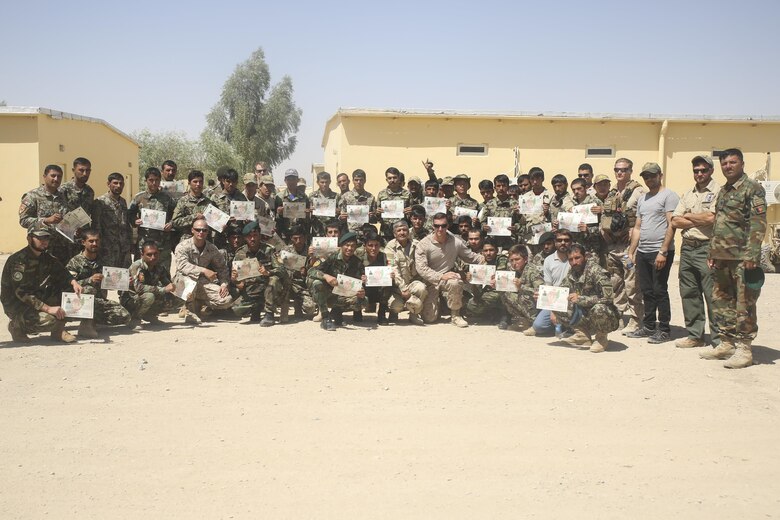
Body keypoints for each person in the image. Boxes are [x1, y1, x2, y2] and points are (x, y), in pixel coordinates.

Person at [700, 149, 767, 368]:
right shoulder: (725, 190)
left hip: (742, 257)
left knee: (743, 303)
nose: (728, 166)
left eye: (732, 162)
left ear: (742, 163)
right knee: (721, 301)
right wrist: (713, 251)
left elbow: (758, 222)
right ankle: (726, 342)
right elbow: (719, 223)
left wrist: (753, 254)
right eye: (725, 163)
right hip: (722, 256)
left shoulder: (752, 188)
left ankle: (745, 349)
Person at [2, 221, 83, 343]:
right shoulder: (19, 261)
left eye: (47, 238)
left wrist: (73, 282)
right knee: (50, 320)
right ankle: (17, 326)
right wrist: (48, 308)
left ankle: (58, 331)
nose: (44, 241)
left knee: (70, 291)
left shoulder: (46, 257)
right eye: (40, 237)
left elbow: (62, 272)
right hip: (17, 304)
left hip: (36, 296)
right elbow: (21, 293)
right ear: (29, 238)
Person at [670, 155, 721, 349]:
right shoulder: (688, 194)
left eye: (703, 170)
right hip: (688, 247)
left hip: (707, 247)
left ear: (711, 170)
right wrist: (697, 218)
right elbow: (675, 220)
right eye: (696, 171)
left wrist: (688, 216)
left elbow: (712, 218)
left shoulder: (718, 192)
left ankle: (718, 339)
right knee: (689, 293)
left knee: (712, 294)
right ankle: (695, 335)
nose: (699, 174)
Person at [627, 163, 679, 343]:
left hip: (660, 251)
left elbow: (672, 224)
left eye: (652, 175)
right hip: (643, 251)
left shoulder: (669, 196)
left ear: (660, 175)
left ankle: (664, 329)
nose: (649, 179)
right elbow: (638, 226)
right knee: (646, 290)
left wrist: (663, 251)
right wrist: (632, 251)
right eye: (646, 177)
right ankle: (649, 326)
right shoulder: (643, 199)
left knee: (659, 290)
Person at [414, 212, 484, 327]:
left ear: (448, 226)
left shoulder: (455, 242)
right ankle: (438, 305)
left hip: (448, 278)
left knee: (455, 281)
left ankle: (455, 315)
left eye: (443, 225)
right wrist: (440, 276)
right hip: (430, 281)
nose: (440, 229)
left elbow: (471, 257)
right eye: (437, 226)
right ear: (433, 226)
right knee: (430, 318)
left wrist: (490, 259)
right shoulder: (424, 244)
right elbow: (422, 269)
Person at [601, 158, 645, 335]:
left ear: (630, 171)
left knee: (632, 284)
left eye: (624, 170)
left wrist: (634, 234)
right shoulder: (612, 193)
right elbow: (605, 215)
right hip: (613, 246)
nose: (620, 173)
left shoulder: (638, 192)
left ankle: (636, 319)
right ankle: (619, 315)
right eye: (617, 170)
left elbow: (642, 218)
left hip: (628, 247)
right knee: (616, 283)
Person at [554, 244, 621, 353]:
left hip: (605, 315)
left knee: (599, 308)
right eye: (570, 259)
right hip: (585, 313)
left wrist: (581, 299)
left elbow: (608, 298)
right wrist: (545, 296)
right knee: (557, 303)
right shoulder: (572, 271)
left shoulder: (596, 271)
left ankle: (601, 338)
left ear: (585, 257)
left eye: (577, 258)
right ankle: (582, 335)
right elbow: (562, 290)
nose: (574, 262)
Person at [65, 230, 132, 337]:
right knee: (89, 289)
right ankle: (86, 325)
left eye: (97, 241)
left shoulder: (104, 260)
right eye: (91, 241)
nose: (94, 244)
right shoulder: (75, 262)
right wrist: (89, 280)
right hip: (78, 302)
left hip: (98, 301)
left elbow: (111, 282)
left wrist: (124, 282)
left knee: (124, 316)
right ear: (83, 242)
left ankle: (93, 320)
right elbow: (67, 285)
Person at [174, 217, 233, 324]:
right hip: (183, 282)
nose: (201, 232)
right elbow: (182, 266)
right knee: (190, 281)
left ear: (208, 232)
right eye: (198, 229)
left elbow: (222, 268)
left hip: (201, 283)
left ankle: (199, 304)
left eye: (204, 230)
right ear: (192, 230)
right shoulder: (182, 246)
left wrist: (224, 283)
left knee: (226, 300)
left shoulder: (211, 248)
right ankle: (190, 311)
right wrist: (204, 270)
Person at [230, 221, 287, 326]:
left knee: (273, 280)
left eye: (255, 235)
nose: (252, 239)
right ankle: (256, 308)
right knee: (237, 309)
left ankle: (269, 314)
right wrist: (235, 280)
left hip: (268, 287)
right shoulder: (240, 253)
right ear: (245, 238)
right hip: (252, 289)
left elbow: (282, 270)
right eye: (249, 236)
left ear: (260, 235)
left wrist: (268, 272)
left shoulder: (269, 250)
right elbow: (235, 279)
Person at [307, 231, 367, 331]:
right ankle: (325, 318)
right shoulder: (329, 256)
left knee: (363, 301)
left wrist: (361, 289)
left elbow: (358, 282)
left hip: (341, 293)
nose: (350, 248)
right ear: (341, 246)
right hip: (325, 291)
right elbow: (311, 271)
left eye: (353, 246)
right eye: (347, 245)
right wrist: (326, 276)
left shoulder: (357, 262)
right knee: (317, 283)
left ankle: (336, 311)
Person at [19, 165, 70, 264]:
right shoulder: (32, 196)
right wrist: (46, 220)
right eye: (53, 176)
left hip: (63, 250)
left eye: (59, 176)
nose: (56, 179)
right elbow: (23, 220)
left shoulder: (63, 196)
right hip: (42, 250)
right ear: (44, 176)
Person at [128, 167, 176, 271]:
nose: (154, 183)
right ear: (146, 181)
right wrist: (134, 220)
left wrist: (171, 223)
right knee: (141, 274)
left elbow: (176, 214)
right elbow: (129, 213)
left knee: (163, 275)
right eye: (151, 180)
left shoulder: (168, 198)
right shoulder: (139, 197)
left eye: (157, 180)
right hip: (144, 243)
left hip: (162, 244)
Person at [529, 229, 573, 336]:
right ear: (555, 242)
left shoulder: (576, 258)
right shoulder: (548, 260)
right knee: (539, 326)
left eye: (566, 240)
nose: (563, 243)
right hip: (556, 300)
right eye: (559, 240)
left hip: (573, 299)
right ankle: (559, 325)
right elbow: (549, 286)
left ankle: (569, 326)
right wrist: (553, 309)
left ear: (571, 242)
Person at [121, 240, 176, 325]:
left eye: (155, 254)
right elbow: (139, 288)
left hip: (147, 296)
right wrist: (164, 289)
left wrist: (180, 291)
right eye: (149, 254)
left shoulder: (159, 267)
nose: (153, 257)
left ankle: (150, 315)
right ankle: (135, 319)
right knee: (150, 296)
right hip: (131, 299)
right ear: (142, 255)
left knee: (178, 299)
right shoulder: (137, 266)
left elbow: (167, 283)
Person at [385, 220, 426, 326]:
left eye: (404, 230)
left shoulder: (417, 245)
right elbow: (393, 268)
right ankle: (394, 314)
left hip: (412, 283)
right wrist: (403, 288)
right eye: (399, 230)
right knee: (396, 306)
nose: (402, 233)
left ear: (409, 232)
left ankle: (414, 314)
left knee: (421, 288)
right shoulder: (390, 247)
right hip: (396, 288)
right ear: (394, 234)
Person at [464, 238, 508, 327]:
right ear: (482, 252)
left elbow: (502, 272)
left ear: (497, 251)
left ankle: (505, 315)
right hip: (488, 292)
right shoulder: (481, 265)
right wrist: (472, 282)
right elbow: (477, 293)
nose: (488, 253)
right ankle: (492, 313)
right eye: (486, 250)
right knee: (472, 305)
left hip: (503, 291)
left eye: (491, 250)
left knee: (494, 297)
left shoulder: (502, 260)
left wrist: (495, 278)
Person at [92, 172, 132, 268]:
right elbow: (96, 226)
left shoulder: (123, 202)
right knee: (110, 278)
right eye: (115, 183)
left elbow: (126, 224)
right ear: (108, 184)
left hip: (124, 248)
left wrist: (130, 242)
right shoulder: (100, 202)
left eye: (121, 183)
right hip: (108, 248)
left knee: (125, 276)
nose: (118, 186)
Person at [501, 244, 543, 332]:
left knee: (523, 296)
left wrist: (522, 287)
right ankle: (523, 321)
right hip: (526, 305)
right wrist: (497, 284)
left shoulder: (533, 271)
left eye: (517, 259)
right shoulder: (514, 272)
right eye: (511, 260)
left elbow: (541, 293)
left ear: (526, 259)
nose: (514, 263)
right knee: (504, 293)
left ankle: (533, 321)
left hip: (536, 307)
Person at [279, 226, 317, 321]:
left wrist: (307, 269)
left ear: (305, 238)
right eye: (295, 238)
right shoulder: (285, 251)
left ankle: (298, 303)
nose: (298, 241)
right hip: (288, 284)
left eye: (301, 238)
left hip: (302, 284)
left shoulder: (311, 251)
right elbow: (279, 267)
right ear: (291, 238)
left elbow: (316, 268)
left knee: (310, 308)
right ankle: (284, 312)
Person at [60, 157, 95, 254]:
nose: (85, 173)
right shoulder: (63, 190)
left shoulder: (89, 191)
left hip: (83, 241)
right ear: (73, 170)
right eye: (81, 170)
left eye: (88, 170)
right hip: (65, 240)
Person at [480, 174, 522, 250]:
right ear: (495, 188)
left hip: (510, 243)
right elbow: (482, 222)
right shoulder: (489, 204)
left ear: (508, 187)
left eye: (504, 185)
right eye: (498, 186)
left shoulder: (515, 204)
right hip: (492, 244)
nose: (501, 188)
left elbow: (522, 223)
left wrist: (515, 227)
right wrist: (484, 227)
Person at [171, 170, 213, 243]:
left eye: (200, 182)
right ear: (189, 183)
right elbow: (175, 222)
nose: (198, 184)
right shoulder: (183, 201)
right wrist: (194, 217)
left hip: (205, 242)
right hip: (187, 241)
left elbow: (213, 222)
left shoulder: (208, 202)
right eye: (195, 181)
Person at [361, 230, 392, 324]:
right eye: (370, 245)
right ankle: (357, 311)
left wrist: (390, 275)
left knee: (388, 283)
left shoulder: (384, 257)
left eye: (376, 245)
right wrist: (360, 278)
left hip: (378, 289)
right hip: (364, 288)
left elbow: (388, 271)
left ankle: (381, 313)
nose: (373, 248)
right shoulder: (359, 256)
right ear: (365, 246)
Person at [275, 168, 310, 242]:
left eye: (293, 179)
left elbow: (308, 219)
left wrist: (307, 214)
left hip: (299, 235)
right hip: (285, 234)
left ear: (297, 180)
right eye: (289, 179)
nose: (291, 182)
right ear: (285, 181)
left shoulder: (304, 196)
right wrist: (279, 214)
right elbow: (275, 218)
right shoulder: (279, 197)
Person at [339, 169, 376, 238]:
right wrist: (342, 217)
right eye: (356, 180)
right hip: (350, 235)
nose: (358, 182)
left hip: (366, 235)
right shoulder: (345, 197)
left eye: (361, 180)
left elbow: (374, 220)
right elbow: (340, 218)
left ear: (365, 181)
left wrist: (372, 217)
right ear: (352, 181)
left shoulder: (371, 197)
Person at [376, 167, 411, 240]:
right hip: (386, 234)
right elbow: (377, 217)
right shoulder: (381, 194)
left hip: (402, 233)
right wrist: (377, 213)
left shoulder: (407, 194)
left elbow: (411, 216)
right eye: (389, 178)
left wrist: (410, 212)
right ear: (386, 180)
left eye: (395, 178)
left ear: (399, 178)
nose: (392, 180)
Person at [309, 171, 341, 237]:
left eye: (326, 182)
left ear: (330, 182)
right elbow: (308, 213)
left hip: (332, 232)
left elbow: (340, 212)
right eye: (322, 182)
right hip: (317, 229)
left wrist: (338, 211)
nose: (324, 184)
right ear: (317, 182)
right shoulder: (312, 196)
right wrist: (310, 210)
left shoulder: (336, 196)